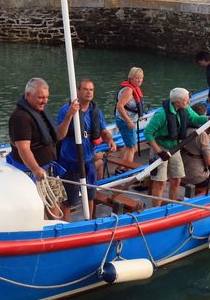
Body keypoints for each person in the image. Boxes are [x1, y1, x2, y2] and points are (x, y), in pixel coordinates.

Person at [56, 79, 117, 221]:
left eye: (91, 89)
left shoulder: (95, 111)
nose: (89, 92)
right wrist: (70, 114)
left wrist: (109, 140)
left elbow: (103, 130)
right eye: (85, 89)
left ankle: (89, 222)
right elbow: (60, 135)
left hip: (88, 160)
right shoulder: (66, 109)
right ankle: (65, 226)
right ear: (78, 91)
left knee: (90, 195)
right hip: (70, 162)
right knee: (68, 200)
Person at [144, 88, 209, 207]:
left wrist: (209, 118)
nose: (188, 102)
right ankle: (156, 210)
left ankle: (172, 205)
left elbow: (195, 119)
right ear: (177, 102)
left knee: (176, 179)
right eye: (186, 100)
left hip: (175, 148)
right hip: (160, 148)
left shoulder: (185, 109)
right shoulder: (161, 115)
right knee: (160, 182)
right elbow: (147, 133)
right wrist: (159, 152)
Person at [7, 77, 60, 182]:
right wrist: (36, 169)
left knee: (54, 199)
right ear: (28, 95)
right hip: (32, 173)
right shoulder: (21, 118)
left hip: (47, 169)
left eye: (46, 97)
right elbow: (23, 149)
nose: (44, 101)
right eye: (40, 97)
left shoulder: (39, 110)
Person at [114, 67, 145, 168]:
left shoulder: (133, 88)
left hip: (125, 121)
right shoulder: (128, 90)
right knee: (132, 147)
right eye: (136, 78)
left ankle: (120, 167)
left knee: (128, 145)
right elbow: (120, 106)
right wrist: (129, 122)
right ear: (130, 78)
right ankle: (127, 171)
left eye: (141, 78)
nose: (139, 80)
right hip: (126, 122)